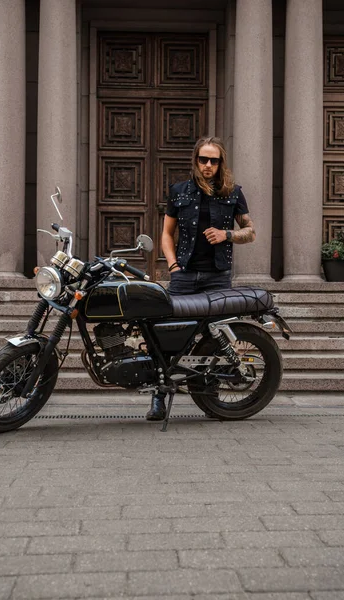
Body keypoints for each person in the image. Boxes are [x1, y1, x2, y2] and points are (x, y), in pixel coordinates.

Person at [146, 135, 256, 421]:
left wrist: (226, 234)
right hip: (184, 276)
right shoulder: (179, 191)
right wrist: (172, 266)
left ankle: (211, 396)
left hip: (217, 277)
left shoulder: (233, 193)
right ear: (195, 161)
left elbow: (250, 232)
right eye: (203, 159)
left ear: (221, 164)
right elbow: (166, 234)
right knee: (167, 336)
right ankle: (159, 397)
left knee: (214, 336)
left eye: (214, 160)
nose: (208, 165)